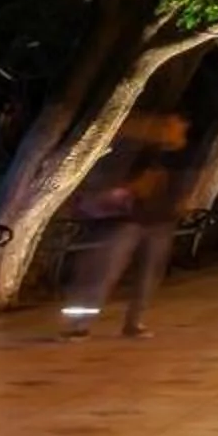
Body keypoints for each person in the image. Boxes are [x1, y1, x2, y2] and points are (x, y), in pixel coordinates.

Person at [63, 110, 188, 338]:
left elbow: (178, 188)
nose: (176, 129)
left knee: (148, 276)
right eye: (171, 124)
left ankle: (134, 322)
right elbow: (129, 183)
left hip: (159, 221)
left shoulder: (178, 156)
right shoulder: (138, 150)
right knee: (105, 271)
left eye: (177, 125)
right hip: (129, 220)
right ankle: (80, 324)